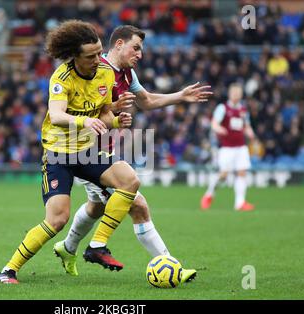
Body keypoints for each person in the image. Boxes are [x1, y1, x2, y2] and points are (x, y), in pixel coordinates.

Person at [53, 25, 212, 280]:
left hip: (103, 151)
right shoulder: (94, 69)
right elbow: (78, 110)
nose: (139, 54)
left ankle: (67, 247)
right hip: (84, 153)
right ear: (118, 45)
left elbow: (146, 101)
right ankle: (171, 267)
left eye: (141, 49)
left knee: (96, 207)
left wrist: (180, 96)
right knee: (137, 204)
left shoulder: (127, 73)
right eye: (135, 47)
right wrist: (111, 110)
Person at [0, 20, 139, 284]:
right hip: (59, 154)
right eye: (91, 55)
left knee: (130, 181)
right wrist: (84, 121)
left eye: (99, 52)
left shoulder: (105, 74)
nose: (98, 59)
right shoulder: (61, 78)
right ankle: (7, 271)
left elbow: (104, 113)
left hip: (85, 151)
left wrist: (116, 120)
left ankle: (97, 245)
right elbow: (58, 115)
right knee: (58, 219)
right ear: (74, 56)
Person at [200, 83, 256, 211]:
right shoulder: (223, 108)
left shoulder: (243, 110)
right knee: (224, 175)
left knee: (242, 172)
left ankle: (240, 203)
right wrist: (218, 129)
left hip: (241, 146)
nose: (236, 95)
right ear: (230, 94)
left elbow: (246, 126)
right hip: (227, 147)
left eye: (238, 93)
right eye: (234, 93)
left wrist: (251, 134)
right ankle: (209, 194)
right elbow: (214, 123)